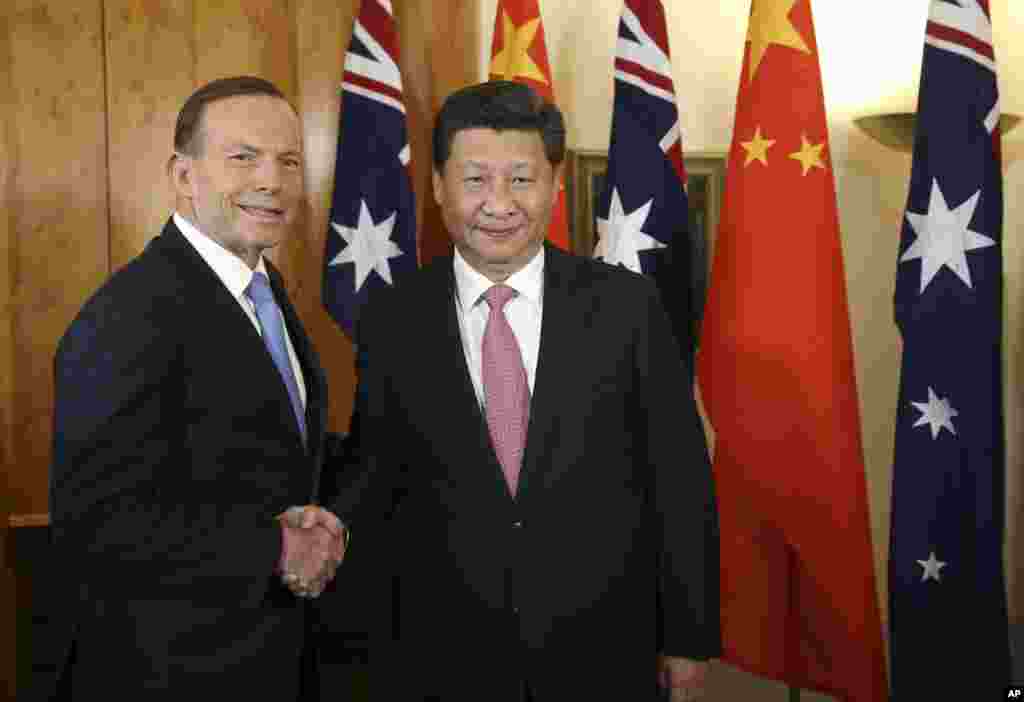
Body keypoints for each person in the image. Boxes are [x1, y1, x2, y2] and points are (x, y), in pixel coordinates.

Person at [335, 80, 721, 702]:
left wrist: (688, 639)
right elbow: (375, 477)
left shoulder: (627, 308)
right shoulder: (392, 318)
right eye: (475, 179)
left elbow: (679, 481)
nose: (499, 203)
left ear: (555, 184)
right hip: (443, 656)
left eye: (521, 179)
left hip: (604, 650)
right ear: (438, 186)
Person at [47, 76, 345, 700]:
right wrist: (275, 545)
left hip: (269, 659)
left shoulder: (263, 289)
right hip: (168, 671)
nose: (272, 180)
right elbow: (97, 522)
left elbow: (268, 452)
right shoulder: (130, 312)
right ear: (184, 175)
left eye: (289, 161)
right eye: (244, 157)